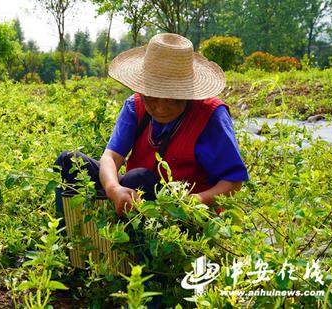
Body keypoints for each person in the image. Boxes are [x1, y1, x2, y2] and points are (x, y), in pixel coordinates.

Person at [54, 33, 248, 217]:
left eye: (172, 99)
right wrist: (114, 189)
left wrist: (192, 201)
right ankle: (81, 236)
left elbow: (233, 181)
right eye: (152, 99)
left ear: (187, 93)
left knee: (136, 178)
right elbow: (111, 157)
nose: (161, 108)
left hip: (180, 209)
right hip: (135, 193)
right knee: (68, 161)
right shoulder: (135, 105)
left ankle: (134, 249)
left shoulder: (210, 114)